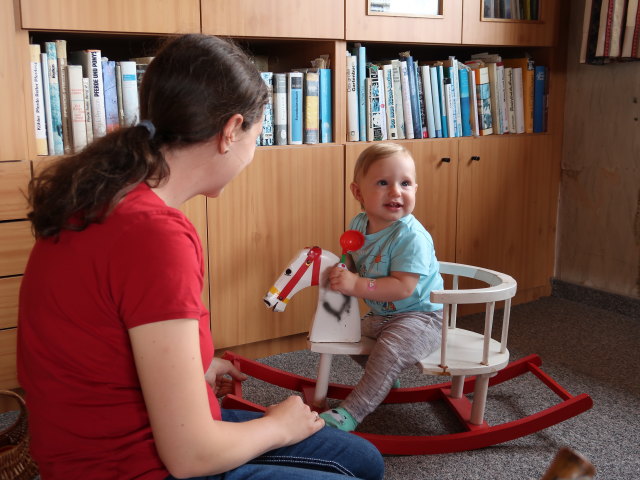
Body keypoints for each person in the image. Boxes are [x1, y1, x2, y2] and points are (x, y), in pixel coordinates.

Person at [17, 34, 384, 480]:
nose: (253, 152)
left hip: (97, 444)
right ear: (230, 131)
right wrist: (277, 426)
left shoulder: (99, 195)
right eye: (256, 134)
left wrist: (197, 366)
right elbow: (190, 456)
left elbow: (103, 340)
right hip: (133, 467)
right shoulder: (156, 235)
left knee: (364, 460)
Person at [319, 142, 444, 432]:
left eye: (405, 183)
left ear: (415, 189)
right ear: (358, 193)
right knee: (341, 330)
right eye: (383, 183)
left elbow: (402, 288)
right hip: (382, 316)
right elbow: (353, 256)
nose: (396, 192)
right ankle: (385, 379)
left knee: (388, 350)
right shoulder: (360, 224)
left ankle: (351, 412)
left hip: (421, 318)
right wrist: (343, 268)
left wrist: (356, 284)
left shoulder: (412, 237)